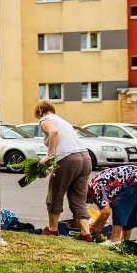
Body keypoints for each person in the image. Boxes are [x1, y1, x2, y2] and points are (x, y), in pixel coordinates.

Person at [35, 101, 93, 240]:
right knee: (78, 198)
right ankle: (86, 233)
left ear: (41, 110)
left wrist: (48, 156)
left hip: (69, 158)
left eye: (37, 113)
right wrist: (50, 166)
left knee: (55, 193)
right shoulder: (63, 121)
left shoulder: (45, 119)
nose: (38, 117)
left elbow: (54, 133)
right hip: (85, 158)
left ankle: (53, 229)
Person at [87, 165, 137, 245]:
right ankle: (126, 241)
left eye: (88, 201)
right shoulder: (93, 184)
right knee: (128, 209)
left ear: (88, 194)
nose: (90, 203)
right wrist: (99, 228)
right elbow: (105, 213)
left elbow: (105, 212)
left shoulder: (96, 189)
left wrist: (90, 229)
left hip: (135, 178)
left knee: (118, 204)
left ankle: (114, 239)